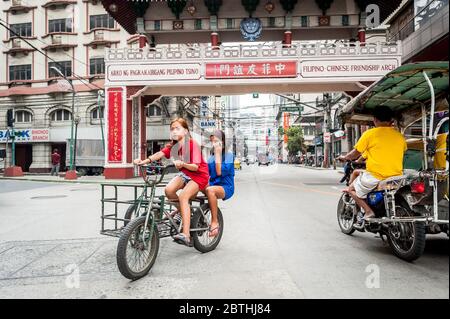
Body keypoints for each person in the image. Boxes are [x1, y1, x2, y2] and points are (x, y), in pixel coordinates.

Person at [134, 118, 209, 247]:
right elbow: (160, 154)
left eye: (177, 128)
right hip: (185, 174)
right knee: (168, 190)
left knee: (184, 196)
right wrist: (144, 161)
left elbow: (196, 167)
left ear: (185, 131)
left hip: (198, 175)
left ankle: (186, 235)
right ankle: (184, 212)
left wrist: (183, 163)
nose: (174, 131)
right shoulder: (173, 146)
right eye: (172, 129)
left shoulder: (192, 144)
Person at [338, 105, 407, 225]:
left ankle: (368, 211)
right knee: (359, 175)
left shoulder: (370, 134)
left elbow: (355, 153)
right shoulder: (399, 136)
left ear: (375, 120)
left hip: (376, 177)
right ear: (390, 120)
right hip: (396, 177)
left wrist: (345, 158)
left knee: (350, 189)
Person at [205, 130, 235, 237]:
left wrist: (217, 153)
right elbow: (205, 174)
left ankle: (214, 222)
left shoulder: (229, 155)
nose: (214, 144)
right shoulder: (211, 158)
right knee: (192, 187)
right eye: (213, 142)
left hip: (226, 187)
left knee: (210, 190)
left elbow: (219, 172)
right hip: (213, 185)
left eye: (216, 141)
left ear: (222, 142)